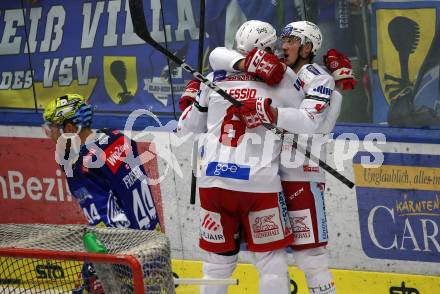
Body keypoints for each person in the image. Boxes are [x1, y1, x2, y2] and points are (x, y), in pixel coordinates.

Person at [206, 20, 356, 294]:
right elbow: (217, 56)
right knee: (263, 258)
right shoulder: (276, 72)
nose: (283, 45)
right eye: (282, 39)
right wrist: (244, 64)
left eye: (292, 40)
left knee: (310, 258)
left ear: (308, 47)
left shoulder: (317, 77)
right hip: (268, 180)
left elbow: (315, 124)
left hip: (301, 175)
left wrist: (273, 113)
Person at [178, 20, 296, 294]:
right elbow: (309, 118)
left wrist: (193, 99)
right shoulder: (284, 80)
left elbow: (186, 127)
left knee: (217, 266)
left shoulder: (213, 78)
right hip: (258, 184)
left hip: (214, 183)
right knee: (271, 264)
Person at [43, 94, 160, 293]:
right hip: (154, 242)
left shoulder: (81, 168)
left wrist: (97, 270)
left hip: (127, 255)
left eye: (53, 128)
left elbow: (105, 222)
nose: (50, 135)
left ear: (70, 129)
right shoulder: (118, 137)